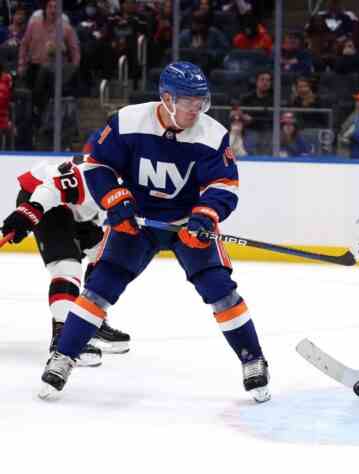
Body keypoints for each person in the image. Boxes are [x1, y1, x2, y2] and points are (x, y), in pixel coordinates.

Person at [38, 61, 270, 404]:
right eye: (189, 101)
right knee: (99, 287)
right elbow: (96, 164)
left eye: (201, 101)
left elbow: (224, 184)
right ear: (166, 98)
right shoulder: (129, 121)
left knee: (219, 289)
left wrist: (205, 218)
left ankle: (253, 360)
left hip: (188, 224)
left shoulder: (211, 134)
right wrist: (116, 202)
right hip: (137, 222)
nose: (197, 108)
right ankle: (64, 355)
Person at [1, 154, 131, 367]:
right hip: (44, 196)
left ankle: (89, 322)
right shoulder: (99, 172)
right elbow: (52, 188)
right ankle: (63, 338)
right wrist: (28, 212)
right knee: (67, 266)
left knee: (107, 257)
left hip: (79, 211)